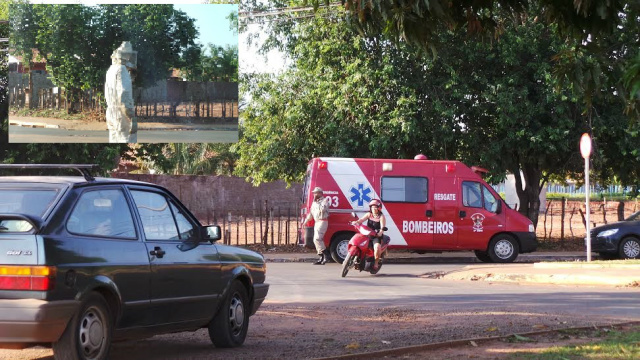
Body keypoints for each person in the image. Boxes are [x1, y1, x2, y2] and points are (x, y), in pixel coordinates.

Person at [351, 199, 388, 271]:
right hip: (367, 233)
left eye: (375, 207)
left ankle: (376, 263)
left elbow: (382, 228)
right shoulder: (369, 214)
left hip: (376, 236)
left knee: (377, 248)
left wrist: (380, 232)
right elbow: (361, 220)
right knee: (358, 242)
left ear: (379, 208)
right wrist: (356, 222)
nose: (373, 209)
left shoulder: (381, 217)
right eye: (372, 207)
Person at [304, 187, 332, 265]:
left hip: (323, 221)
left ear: (320, 193)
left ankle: (326, 255)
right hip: (317, 222)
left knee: (317, 238)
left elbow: (323, 209)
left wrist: (318, 202)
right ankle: (321, 257)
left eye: (316, 193)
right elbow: (311, 214)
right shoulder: (314, 203)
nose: (314, 194)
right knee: (315, 240)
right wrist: (305, 222)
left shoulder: (324, 200)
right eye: (314, 193)